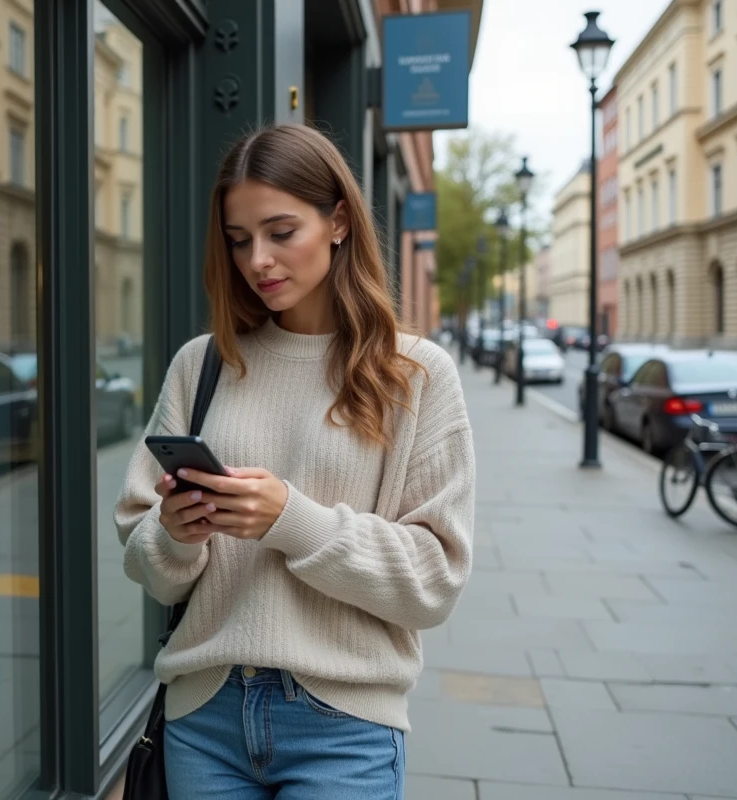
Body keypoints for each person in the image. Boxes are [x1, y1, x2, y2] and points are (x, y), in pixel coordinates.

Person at [114, 123, 476, 799]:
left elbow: (435, 581)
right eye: (239, 238)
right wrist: (176, 533)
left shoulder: (415, 373)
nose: (258, 260)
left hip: (344, 727)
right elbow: (146, 564)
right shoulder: (203, 365)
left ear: (338, 220)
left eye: (281, 232)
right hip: (205, 717)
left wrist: (292, 519)